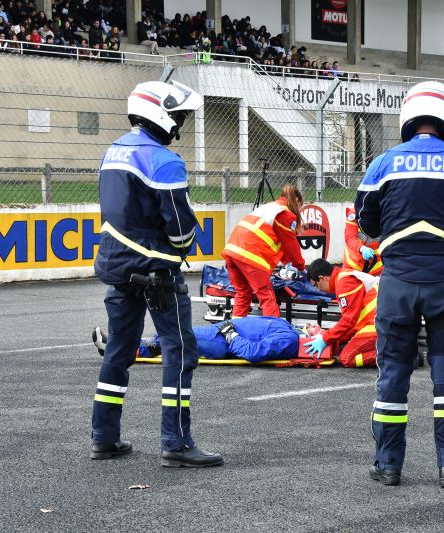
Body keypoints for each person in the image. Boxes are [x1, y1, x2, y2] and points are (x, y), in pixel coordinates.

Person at [355, 81, 444, 488]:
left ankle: (388, 466)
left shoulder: (383, 163)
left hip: (397, 283)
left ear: (409, 117)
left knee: (392, 374)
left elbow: (365, 222)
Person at [89, 80, 224, 469]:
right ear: (159, 112)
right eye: (178, 116)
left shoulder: (112, 153)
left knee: (118, 350)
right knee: (180, 352)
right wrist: (182, 246)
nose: (179, 124)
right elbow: (180, 227)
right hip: (156, 271)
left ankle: (104, 438)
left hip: (117, 267)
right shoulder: (164, 160)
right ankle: (176, 443)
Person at [221, 184, 305, 318]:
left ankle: (236, 330)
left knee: (243, 294)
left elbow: (281, 243)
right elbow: (291, 244)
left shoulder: (270, 207)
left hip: (232, 251)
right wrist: (300, 266)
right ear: (296, 200)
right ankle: (274, 333)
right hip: (250, 255)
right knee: (267, 295)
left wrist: (288, 263)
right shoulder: (285, 214)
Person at [93, 316, 303, 363]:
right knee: (172, 336)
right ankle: (120, 346)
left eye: (317, 330)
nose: (315, 326)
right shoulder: (290, 330)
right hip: (221, 333)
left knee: (172, 334)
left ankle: (116, 347)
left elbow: (254, 353)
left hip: (221, 338)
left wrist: (231, 334)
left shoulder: (289, 338)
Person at [305, 259, 378, 368]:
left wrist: (326, 338)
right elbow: (353, 320)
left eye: (316, 285)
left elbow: (349, 320)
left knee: (348, 358)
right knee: (345, 347)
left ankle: (401, 355)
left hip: (381, 323)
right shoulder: (343, 278)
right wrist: (333, 338)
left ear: (322, 278)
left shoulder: (344, 283)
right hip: (381, 320)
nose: (318, 289)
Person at [343, 207, 383, 276]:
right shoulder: (354, 213)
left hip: (376, 265)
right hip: (352, 264)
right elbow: (350, 237)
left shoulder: (386, 215)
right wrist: (362, 249)